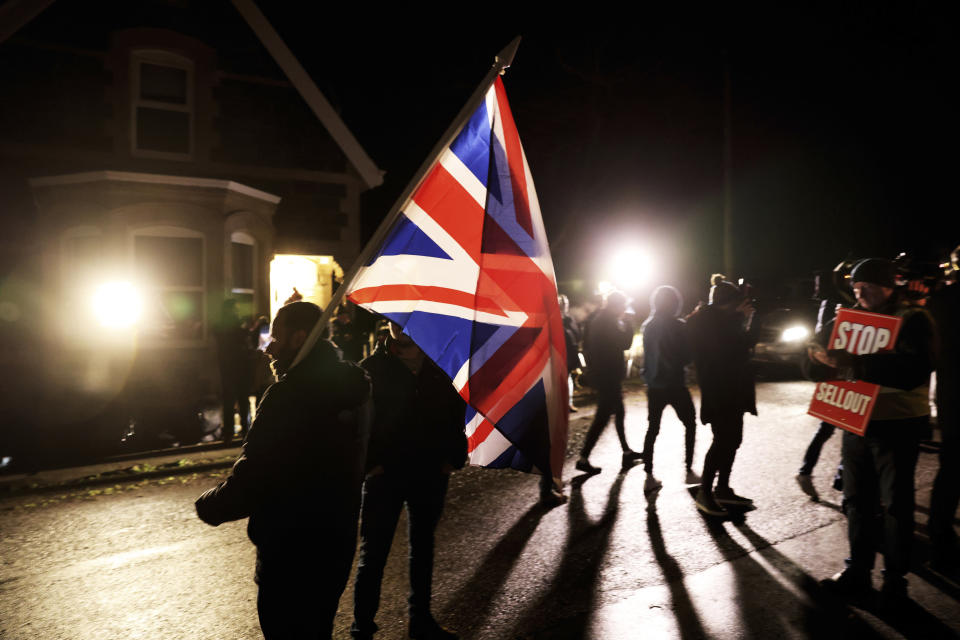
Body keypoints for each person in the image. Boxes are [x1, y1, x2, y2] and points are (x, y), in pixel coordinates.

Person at [195, 301, 371, 638]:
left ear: (298, 338)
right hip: (335, 545)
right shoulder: (358, 386)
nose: (269, 348)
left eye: (275, 337)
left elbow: (258, 473)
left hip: (290, 551)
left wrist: (211, 506)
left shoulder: (288, 396)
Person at [806, 258, 935, 608]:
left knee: (896, 505)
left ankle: (895, 580)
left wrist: (857, 363)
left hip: (898, 424)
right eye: (858, 288)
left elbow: (915, 370)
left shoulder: (913, 319)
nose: (862, 294)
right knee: (856, 501)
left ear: (889, 288)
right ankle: (857, 572)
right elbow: (818, 364)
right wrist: (818, 358)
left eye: (870, 288)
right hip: (855, 421)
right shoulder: (848, 320)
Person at [351, 323, 467, 640]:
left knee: (423, 547)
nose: (400, 327)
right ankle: (362, 626)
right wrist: (370, 463)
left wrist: (452, 456)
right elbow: (355, 421)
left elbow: (456, 410)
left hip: (429, 470)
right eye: (395, 321)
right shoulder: (372, 368)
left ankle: (421, 621)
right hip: (385, 474)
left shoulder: (440, 365)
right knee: (373, 553)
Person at [687, 274, 759, 517]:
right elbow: (726, 352)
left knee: (733, 440)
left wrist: (747, 319)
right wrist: (741, 318)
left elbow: (747, 343)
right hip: (720, 392)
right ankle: (705, 493)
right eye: (738, 303)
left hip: (733, 391)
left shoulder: (725, 321)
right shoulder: (708, 323)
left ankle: (723, 489)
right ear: (727, 304)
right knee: (722, 441)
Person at [576, 290, 642, 474]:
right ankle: (583, 457)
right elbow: (624, 343)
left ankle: (626, 452)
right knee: (602, 418)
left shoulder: (599, 319)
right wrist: (629, 322)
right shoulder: (607, 321)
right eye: (622, 306)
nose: (623, 309)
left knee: (619, 412)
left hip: (604, 374)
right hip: (607, 376)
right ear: (616, 305)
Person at [640, 285, 697, 492]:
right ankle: (689, 469)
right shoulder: (678, 326)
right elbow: (687, 356)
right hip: (674, 383)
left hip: (654, 384)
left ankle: (648, 474)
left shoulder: (648, 325)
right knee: (690, 423)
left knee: (652, 429)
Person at [927, 246, 959, 584]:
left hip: (951, 397)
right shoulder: (946, 300)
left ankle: (940, 541)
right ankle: (941, 544)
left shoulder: (940, 299)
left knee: (951, 471)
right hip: (954, 395)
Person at [214, 299, 253, 443]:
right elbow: (245, 342)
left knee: (230, 401)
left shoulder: (220, 327)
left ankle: (229, 432)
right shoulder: (236, 327)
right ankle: (245, 430)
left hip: (228, 368)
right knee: (242, 400)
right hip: (239, 367)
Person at [559, 294, 582, 412]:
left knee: (568, 378)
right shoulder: (553, 317)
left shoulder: (570, 319)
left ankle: (569, 403)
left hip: (570, 353)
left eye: (565, 304)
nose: (564, 306)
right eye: (562, 304)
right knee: (560, 381)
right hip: (558, 354)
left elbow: (577, 334)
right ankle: (561, 405)